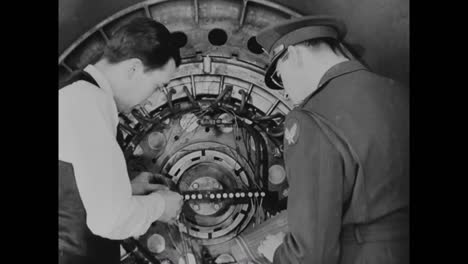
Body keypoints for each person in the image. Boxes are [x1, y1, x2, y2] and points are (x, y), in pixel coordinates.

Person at [255, 15, 409, 264]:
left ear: (293, 54)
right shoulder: (399, 92)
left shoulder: (310, 118)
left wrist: (277, 253)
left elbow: (310, 257)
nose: (284, 90)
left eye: (279, 77)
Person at [59, 17, 184, 264]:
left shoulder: (78, 96)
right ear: (133, 69)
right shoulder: (87, 103)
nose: (152, 98)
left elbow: (74, 190)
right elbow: (109, 220)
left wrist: (126, 190)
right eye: (158, 85)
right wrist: (161, 206)